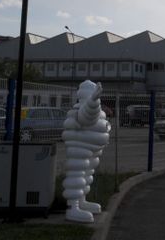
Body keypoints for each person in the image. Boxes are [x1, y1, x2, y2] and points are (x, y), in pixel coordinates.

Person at [62, 80, 111, 223]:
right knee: (77, 174)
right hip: (80, 148)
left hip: (91, 149)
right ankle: (73, 207)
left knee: (86, 175)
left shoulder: (94, 110)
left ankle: (81, 201)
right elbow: (87, 115)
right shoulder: (84, 108)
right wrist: (93, 100)